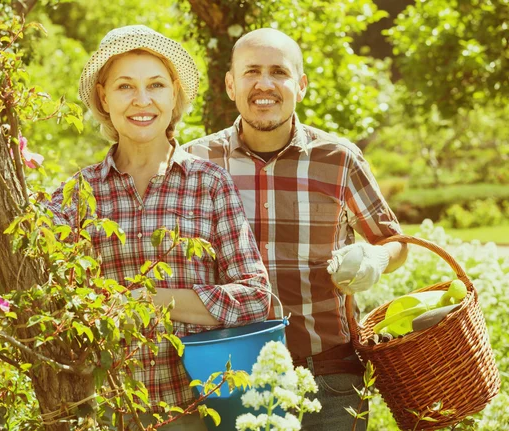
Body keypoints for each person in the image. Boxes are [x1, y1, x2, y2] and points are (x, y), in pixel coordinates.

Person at [46, 25, 271, 430]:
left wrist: (151, 300)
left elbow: (255, 297)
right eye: (125, 86)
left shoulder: (208, 184)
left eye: (156, 85)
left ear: (174, 95)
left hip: (196, 413)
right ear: (103, 96)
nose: (142, 100)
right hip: (105, 413)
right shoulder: (76, 195)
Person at [184, 28, 408, 431]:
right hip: (229, 382)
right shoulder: (196, 161)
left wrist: (377, 257)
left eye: (279, 72)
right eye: (251, 71)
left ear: (300, 86)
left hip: (330, 380)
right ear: (231, 84)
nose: (265, 84)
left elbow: (394, 241)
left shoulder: (339, 160)